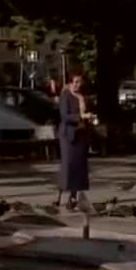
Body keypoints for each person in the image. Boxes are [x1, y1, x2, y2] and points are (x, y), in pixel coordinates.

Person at [57, 72, 94, 211]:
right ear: (70, 82)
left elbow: (87, 111)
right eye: (75, 82)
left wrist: (90, 117)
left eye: (79, 82)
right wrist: (81, 116)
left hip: (81, 134)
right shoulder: (65, 95)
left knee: (79, 167)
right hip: (68, 136)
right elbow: (65, 116)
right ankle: (60, 195)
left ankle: (73, 197)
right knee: (68, 166)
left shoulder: (82, 96)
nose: (77, 84)